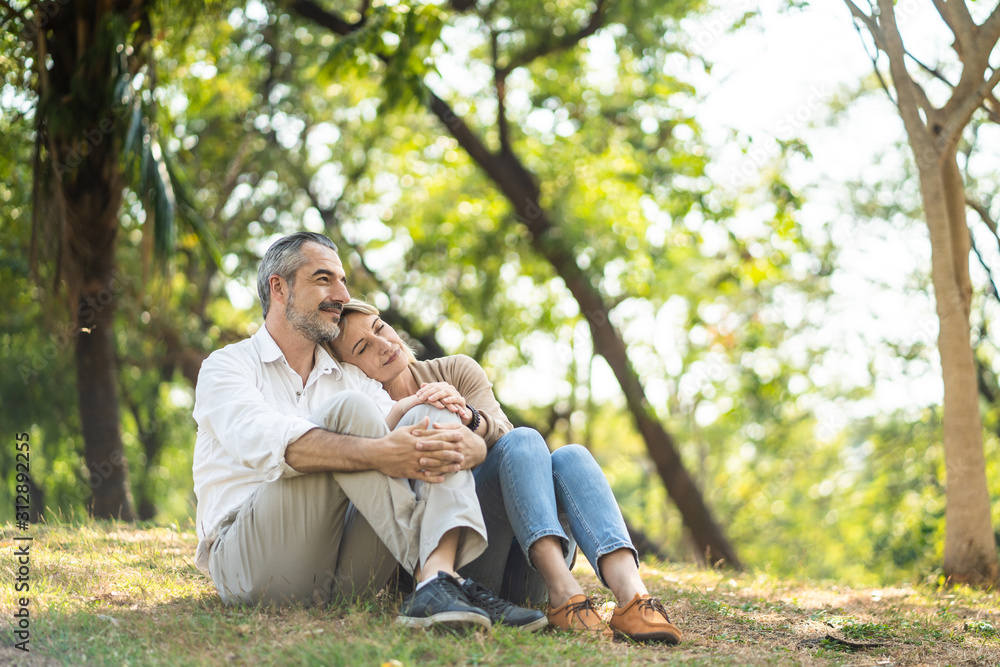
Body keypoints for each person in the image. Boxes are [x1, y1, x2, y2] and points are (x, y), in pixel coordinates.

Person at [191, 231, 542, 631]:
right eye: (324, 279)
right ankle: (450, 580)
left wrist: (458, 432)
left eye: (342, 281)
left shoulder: (347, 376)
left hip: (343, 577)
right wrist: (378, 453)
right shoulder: (227, 366)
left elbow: (402, 422)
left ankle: (440, 579)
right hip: (253, 563)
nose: (341, 293)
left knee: (428, 408)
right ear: (279, 288)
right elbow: (271, 444)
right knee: (350, 413)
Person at [326, 299, 683, 644]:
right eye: (362, 347)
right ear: (350, 368)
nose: (384, 344)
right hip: (465, 570)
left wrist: (470, 417)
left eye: (380, 327)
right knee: (526, 440)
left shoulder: (455, 370)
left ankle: (634, 599)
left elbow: (514, 446)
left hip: (530, 570)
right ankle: (565, 593)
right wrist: (413, 412)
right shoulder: (368, 412)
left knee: (569, 455)